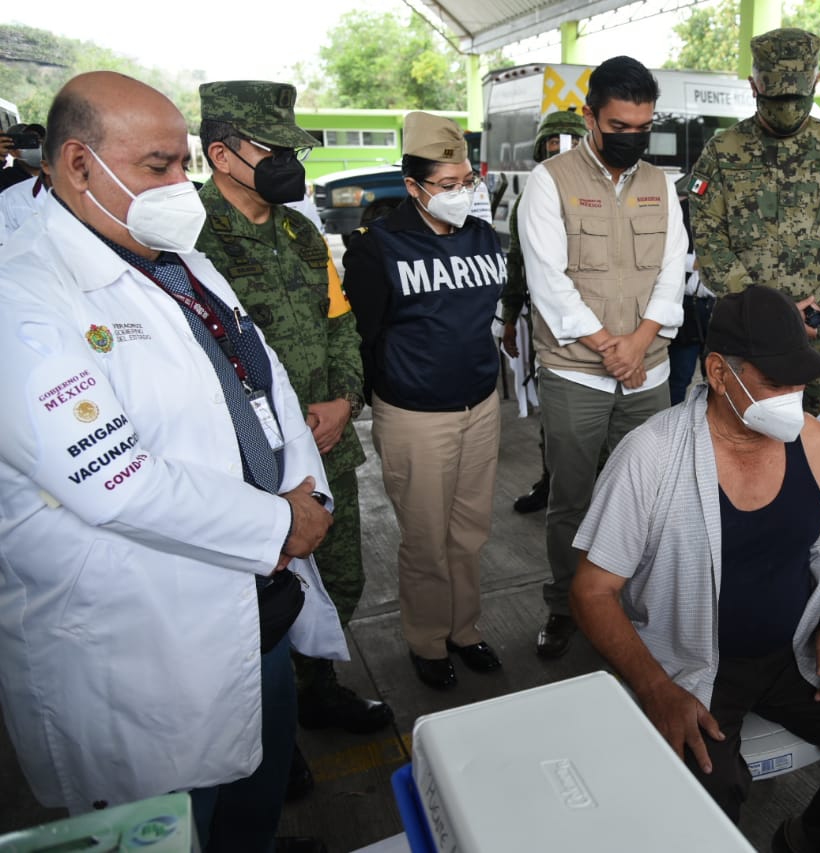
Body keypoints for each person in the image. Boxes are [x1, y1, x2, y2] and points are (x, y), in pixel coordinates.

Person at [0, 72, 345, 852]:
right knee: (172, 822)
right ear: (79, 165)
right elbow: (115, 480)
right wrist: (282, 521)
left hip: (255, 606)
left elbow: (261, 370)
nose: (178, 185)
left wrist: (303, 482)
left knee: (252, 799)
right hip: (144, 645)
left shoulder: (167, 252)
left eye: (182, 163)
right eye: (158, 166)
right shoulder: (23, 292)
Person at [571, 284, 820, 853]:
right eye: (776, 382)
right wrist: (656, 690)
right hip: (691, 662)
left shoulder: (811, 441)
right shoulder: (650, 456)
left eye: (800, 380)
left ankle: (807, 844)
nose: (793, 395)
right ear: (717, 372)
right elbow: (592, 591)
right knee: (708, 796)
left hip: (795, 651)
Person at [195, 80, 391, 738]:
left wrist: (344, 399)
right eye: (273, 148)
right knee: (256, 595)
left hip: (326, 449)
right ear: (222, 155)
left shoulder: (302, 234)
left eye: (294, 149)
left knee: (339, 576)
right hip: (244, 465)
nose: (291, 162)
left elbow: (342, 323)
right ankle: (264, 720)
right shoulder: (188, 240)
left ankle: (317, 690)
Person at [519, 56, 686, 659]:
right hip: (575, 374)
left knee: (647, 497)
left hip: (649, 369)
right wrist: (610, 349)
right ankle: (568, 605)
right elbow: (548, 281)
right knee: (573, 499)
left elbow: (673, 272)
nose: (632, 139)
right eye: (619, 127)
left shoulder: (662, 184)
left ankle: (632, 606)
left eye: (642, 127)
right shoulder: (551, 181)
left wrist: (638, 343)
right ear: (590, 117)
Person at [343, 111, 506, 690]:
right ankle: (428, 638)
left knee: (469, 531)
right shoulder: (378, 247)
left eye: (467, 181)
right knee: (426, 536)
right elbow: (364, 333)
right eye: (447, 185)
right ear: (413, 187)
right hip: (416, 416)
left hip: (480, 407)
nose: (461, 193)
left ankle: (465, 629)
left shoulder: (484, 237)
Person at [688, 27, 820, 414]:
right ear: (754, 85)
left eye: (796, 96)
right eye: (777, 96)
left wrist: (818, 307)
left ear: (815, 82)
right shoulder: (722, 152)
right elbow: (708, 240)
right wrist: (763, 314)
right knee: (737, 441)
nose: (787, 108)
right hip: (745, 335)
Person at [498, 108, 588, 514]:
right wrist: (511, 318)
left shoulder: (602, 195)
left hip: (606, 324)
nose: (562, 149)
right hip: (550, 325)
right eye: (554, 142)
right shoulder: (530, 199)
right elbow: (517, 262)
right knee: (553, 414)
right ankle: (553, 481)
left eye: (571, 140)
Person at [668, 174, 716, 405]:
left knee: (718, 379)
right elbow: (662, 257)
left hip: (718, 308)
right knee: (679, 375)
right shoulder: (679, 213)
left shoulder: (735, 215)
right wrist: (695, 263)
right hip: (687, 307)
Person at [0, 122, 44, 192]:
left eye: (38, 139)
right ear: (12, 151)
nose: (38, 145)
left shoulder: (55, 175)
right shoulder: (6, 180)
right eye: (27, 141)